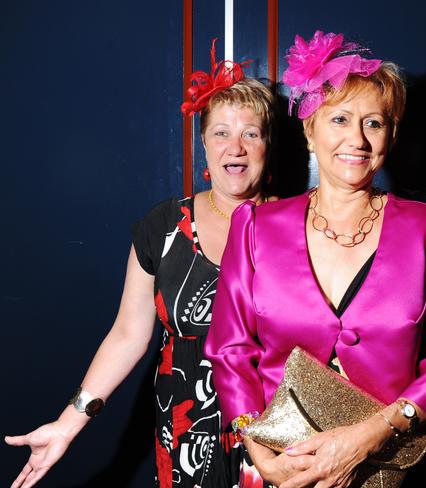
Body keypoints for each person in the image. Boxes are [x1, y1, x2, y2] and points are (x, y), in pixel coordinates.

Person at [204, 30, 426, 488]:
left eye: (374, 123)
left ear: (390, 136)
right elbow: (231, 352)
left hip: (392, 468)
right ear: (309, 130)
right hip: (278, 467)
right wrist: (259, 453)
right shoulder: (255, 226)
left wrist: (368, 438)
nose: (357, 138)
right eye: (339, 120)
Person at [5, 41, 275, 488]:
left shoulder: (298, 226)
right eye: (222, 132)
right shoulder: (163, 226)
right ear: (203, 142)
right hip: (186, 434)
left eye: (251, 132)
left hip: (276, 432)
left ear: (267, 144)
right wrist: (67, 424)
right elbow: (129, 335)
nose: (237, 146)